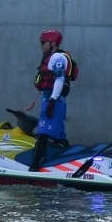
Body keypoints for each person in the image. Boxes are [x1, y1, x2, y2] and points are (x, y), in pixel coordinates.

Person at [32, 29, 77, 165]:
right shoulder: (49, 57)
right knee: (58, 136)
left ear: (52, 43)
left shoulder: (57, 58)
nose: (42, 45)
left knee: (43, 134)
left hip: (54, 100)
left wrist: (52, 100)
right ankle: (72, 162)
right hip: (49, 98)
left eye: (43, 42)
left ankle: (34, 168)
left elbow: (59, 79)